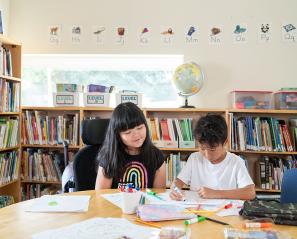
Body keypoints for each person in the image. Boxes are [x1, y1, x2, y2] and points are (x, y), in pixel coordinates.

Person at [170, 114, 255, 200]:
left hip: (225, 212)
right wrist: (175, 188)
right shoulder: (194, 158)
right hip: (196, 210)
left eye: (212, 149)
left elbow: (250, 192)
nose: (207, 154)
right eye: (202, 148)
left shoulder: (236, 162)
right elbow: (179, 182)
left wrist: (216, 193)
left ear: (225, 143)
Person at [95, 102, 166, 190]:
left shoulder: (156, 156)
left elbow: (159, 195)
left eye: (140, 128)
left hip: (146, 203)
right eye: (128, 132)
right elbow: (101, 196)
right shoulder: (109, 157)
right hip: (115, 203)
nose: (136, 135)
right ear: (117, 135)